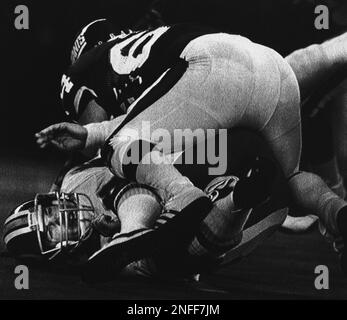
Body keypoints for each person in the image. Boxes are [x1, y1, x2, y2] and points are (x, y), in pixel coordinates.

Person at [35, 23, 347, 278]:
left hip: (212, 71)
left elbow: (108, 137)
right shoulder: (139, 52)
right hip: (273, 71)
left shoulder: (82, 70)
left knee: (118, 149)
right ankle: (334, 209)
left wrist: (84, 146)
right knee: (293, 179)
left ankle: (182, 195)